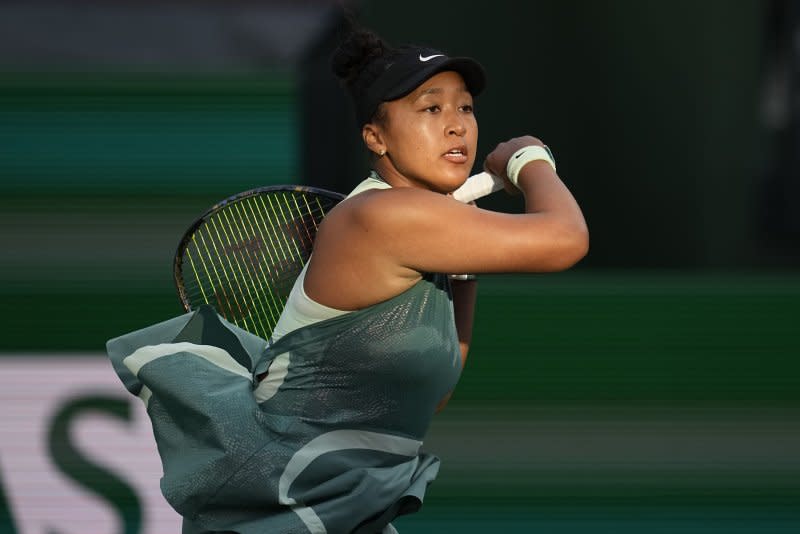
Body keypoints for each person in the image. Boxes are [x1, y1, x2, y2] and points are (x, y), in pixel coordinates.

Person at [106, 22, 587, 534]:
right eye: (431, 108)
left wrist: (464, 265)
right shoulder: (379, 217)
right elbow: (566, 240)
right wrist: (528, 158)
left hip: (342, 507)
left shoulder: (423, 230)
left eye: (464, 107)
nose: (456, 126)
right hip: (282, 505)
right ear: (375, 136)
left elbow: (434, 393)